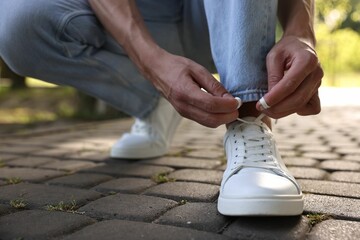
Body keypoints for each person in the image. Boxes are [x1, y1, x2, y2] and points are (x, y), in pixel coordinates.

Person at [0, 0, 323, 216]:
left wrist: (302, 32)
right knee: (19, 22)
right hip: (132, 16)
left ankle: (251, 121)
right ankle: (153, 102)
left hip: (230, 14)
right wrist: (150, 63)